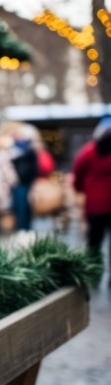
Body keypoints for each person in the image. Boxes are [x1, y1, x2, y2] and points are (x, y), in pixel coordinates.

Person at [73, 116, 111, 275]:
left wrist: (79, 188)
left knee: (94, 239)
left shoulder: (89, 151)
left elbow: (78, 172)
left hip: (95, 205)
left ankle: (93, 271)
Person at [9, 124, 39, 231]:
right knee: (19, 206)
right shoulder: (14, 148)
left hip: (24, 182)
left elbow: (33, 168)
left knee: (23, 206)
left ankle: (24, 228)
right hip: (19, 182)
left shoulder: (28, 150)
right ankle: (21, 227)